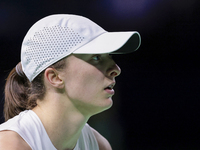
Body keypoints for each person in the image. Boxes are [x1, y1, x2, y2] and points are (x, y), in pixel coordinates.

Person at [0, 14, 141, 150]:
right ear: (55, 77)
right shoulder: (10, 144)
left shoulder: (99, 145)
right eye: (96, 58)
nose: (116, 69)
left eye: (109, 56)